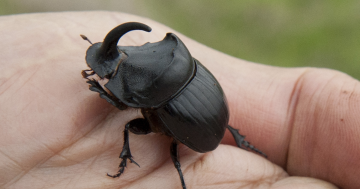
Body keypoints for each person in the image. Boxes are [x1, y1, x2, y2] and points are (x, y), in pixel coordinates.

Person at [1, 11, 358, 189]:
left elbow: (123, 104)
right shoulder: (175, 66)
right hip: (210, 113)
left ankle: (182, 166)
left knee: (132, 129)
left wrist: (101, 87)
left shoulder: (151, 95)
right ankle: (244, 140)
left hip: (197, 135)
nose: (119, 61)